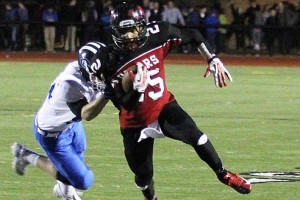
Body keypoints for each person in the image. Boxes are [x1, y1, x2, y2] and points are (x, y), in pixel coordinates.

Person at [105, 3, 252, 200]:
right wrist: (138, 88)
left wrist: (212, 58)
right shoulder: (111, 60)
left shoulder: (158, 34)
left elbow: (193, 35)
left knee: (197, 136)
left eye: (132, 29)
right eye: (123, 32)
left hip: (162, 106)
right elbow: (125, 104)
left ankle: (223, 174)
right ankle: (151, 197)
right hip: (135, 124)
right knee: (143, 176)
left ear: (142, 26)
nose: (129, 36)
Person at [11, 42, 112, 200]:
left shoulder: (84, 69)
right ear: (88, 70)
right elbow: (88, 114)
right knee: (83, 180)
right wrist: (107, 94)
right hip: (52, 134)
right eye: (99, 72)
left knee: (78, 154)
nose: (104, 74)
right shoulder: (70, 84)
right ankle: (26, 155)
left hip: (70, 123)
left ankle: (64, 192)